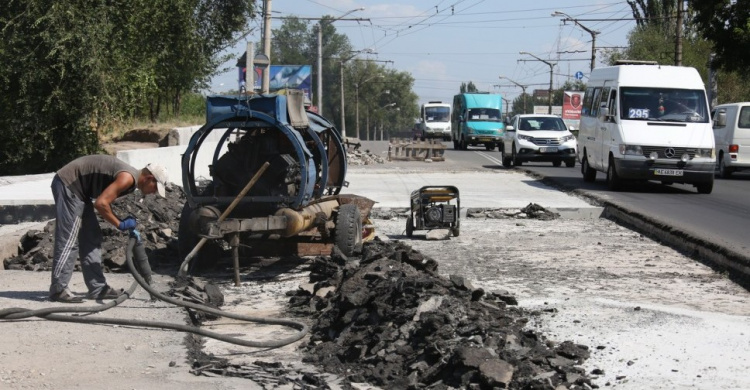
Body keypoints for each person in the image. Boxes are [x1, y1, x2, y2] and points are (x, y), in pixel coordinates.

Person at [49, 155, 169, 303]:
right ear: (149, 178)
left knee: (91, 238)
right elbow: (101, 203)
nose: (154, 192)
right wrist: (120, 224)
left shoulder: (130, 180)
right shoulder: (128, 178)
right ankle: (58, 289)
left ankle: (98, 288)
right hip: (68, 185)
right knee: (69, 239)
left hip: (82, 192)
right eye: (156, 187)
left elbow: (105, 201)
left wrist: (120, 220)